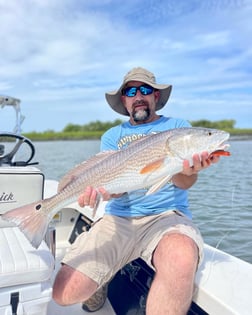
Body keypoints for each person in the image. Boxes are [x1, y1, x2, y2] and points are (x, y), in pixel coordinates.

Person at [53, 67, 220, 314]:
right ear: (124, 99)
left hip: (165, 217)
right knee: (63, 293)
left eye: (145, 89)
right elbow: (116, 190)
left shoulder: (178, 127)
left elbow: (184, 183)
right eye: (131, 91)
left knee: (182, 258)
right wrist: (105, 191)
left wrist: (189, 171)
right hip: (118, 218)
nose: (138, 95)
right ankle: (101, 280)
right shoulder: (112, 136)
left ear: (156, 96)